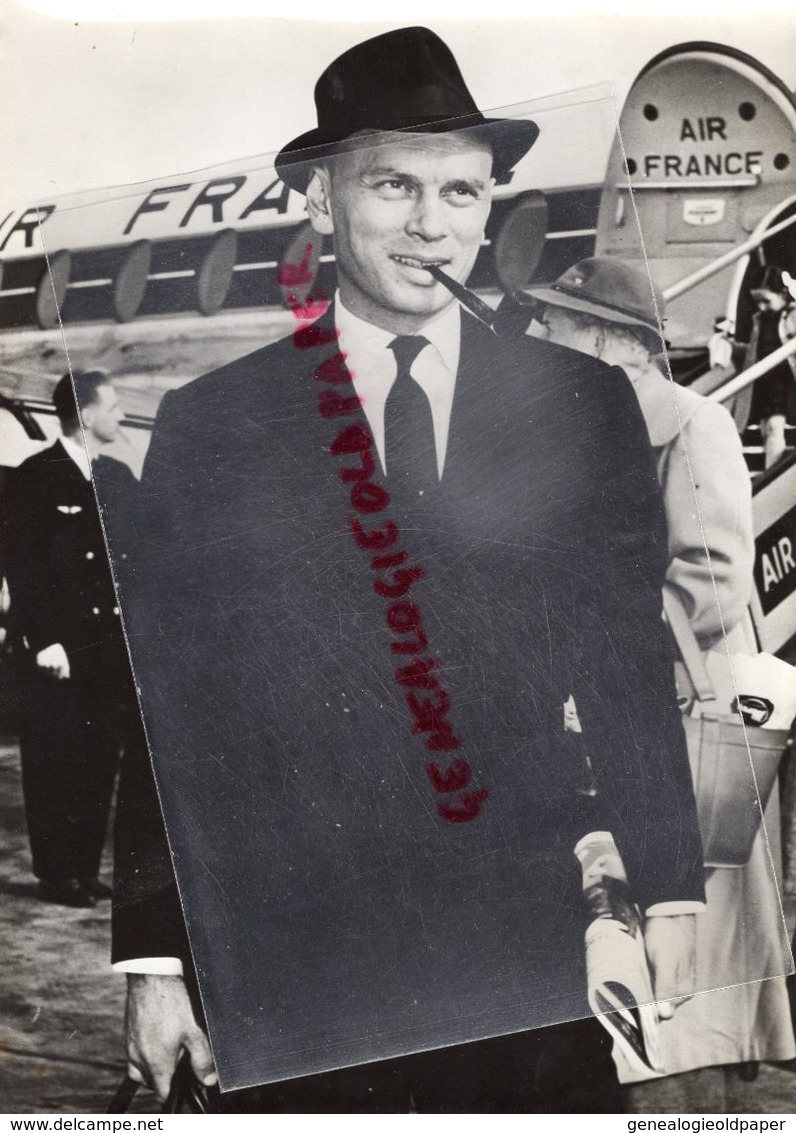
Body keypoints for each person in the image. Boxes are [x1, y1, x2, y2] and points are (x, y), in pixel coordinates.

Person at [106, 28, 705, 1112]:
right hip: (293, 944)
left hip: (519, 940)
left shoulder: (577, 404)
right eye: (394, 185)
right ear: (321, 202)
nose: (434, 224)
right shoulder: (215, 422)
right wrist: (153, 962)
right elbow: (174, 703)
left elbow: (623, 659)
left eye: (463, 193)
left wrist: (667, 894)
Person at [526, 256, 795, 1109]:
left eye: (556, 324)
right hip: (601, 738)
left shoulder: (691, 423)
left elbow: (711, 580)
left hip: (674, 736)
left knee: (684, 1005)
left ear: (613, 343)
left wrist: (594, 667)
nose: (536, 338)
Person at [1, 370, 139, 908]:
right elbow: (23, 566)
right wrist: (44, 640)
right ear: (85, 414)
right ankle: (56, 875)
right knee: (54, 758)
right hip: (58, 649)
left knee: (99, 755)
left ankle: (83, 868)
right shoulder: (35, 478)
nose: (122, 414)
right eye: (115, 404)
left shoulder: (118, 477)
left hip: (106, 646)